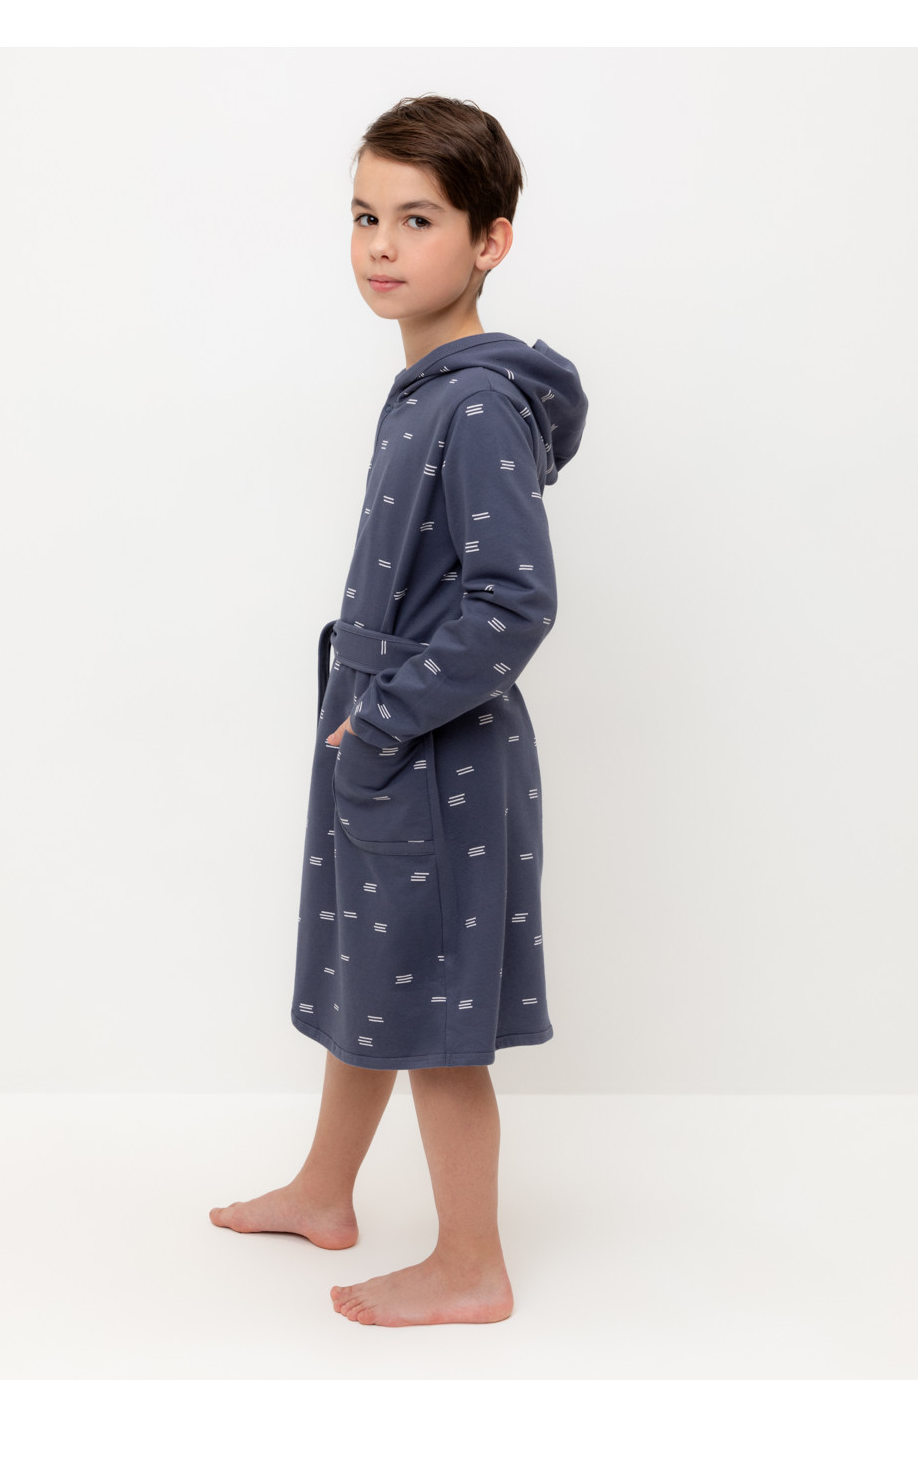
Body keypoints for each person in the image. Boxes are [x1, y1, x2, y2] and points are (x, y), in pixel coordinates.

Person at [210, 94, 588, 1327]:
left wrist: (381, 721)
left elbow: (513, 603)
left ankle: (471, 1263)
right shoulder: (429, 386)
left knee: (437, 1014)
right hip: (385, 740)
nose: (381, 245)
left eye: (418, 220)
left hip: (433, 752)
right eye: (365, 216)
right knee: (372, 967)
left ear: (490, 241)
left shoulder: (473, 403)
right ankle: (326, 1190)